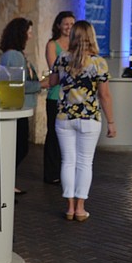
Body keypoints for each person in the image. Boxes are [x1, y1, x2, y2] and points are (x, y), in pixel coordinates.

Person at [48, 20, 115, 221]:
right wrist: (111, 122)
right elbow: (104, 95)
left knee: (68, 161)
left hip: (64, 117)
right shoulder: (98, 62)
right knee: (85, 163)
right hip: (89, 118)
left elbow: (53, 82)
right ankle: (80, 208)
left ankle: (69, 208)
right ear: (91, 37)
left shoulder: (62, 57)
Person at [0, 17, 50, 193]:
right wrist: (41, 84)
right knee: (19, 147)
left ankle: (7, 182)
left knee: (19, 147)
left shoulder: (13, 54)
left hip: (18, 106)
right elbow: (14, 84)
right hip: (16, 107)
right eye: (28, 32)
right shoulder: (14, 56)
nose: (30, 35)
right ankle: (5, 183)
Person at [44, 11, 75, 184]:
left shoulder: (76, 45)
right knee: (53, 135)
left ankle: (66, 172)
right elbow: (55, 68)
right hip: (55, 96)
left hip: (71, 97)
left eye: (72, 24)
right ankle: (51, 173)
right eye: (66, 24)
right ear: (58, 25)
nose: (69, 27)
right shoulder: (52, 44)